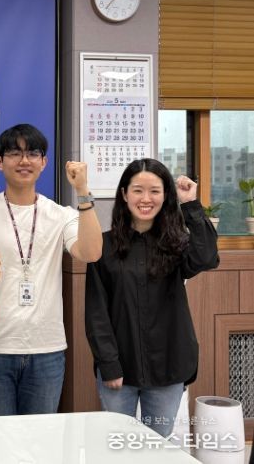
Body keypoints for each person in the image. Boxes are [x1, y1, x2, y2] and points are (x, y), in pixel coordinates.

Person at [0, 123, 102, 416]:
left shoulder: (60, 215)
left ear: (43, 162)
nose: (24, 161)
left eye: (33, 153)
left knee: (40, 438)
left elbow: (91, 252)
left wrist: (82, 191)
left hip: (46, 349)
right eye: (14, 153)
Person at [85, 158, 219, 437]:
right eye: (138, 190)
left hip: (168, 366)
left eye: (155, 191)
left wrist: (190, 204)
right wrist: (109, 364)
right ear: (124, 194)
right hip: (119, 369)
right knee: (118, 447)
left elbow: (207, 258)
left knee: (158, 447)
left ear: (165, 195)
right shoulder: (103, 245)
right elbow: (96, 312)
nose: (146, 199)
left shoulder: (177, 243)